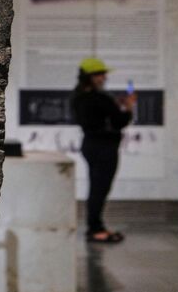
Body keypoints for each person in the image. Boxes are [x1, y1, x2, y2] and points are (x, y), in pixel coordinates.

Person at [70, 58, 136, 243]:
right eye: (100, 74)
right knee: (100, 189)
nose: (104, 77)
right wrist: (128, 107)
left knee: (96, 188)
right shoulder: (100, 98)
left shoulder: (78, 96)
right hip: (104, 148)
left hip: (90, 145)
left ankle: (95, 226)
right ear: (90, 76)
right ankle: (95, 229)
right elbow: (120, 121)